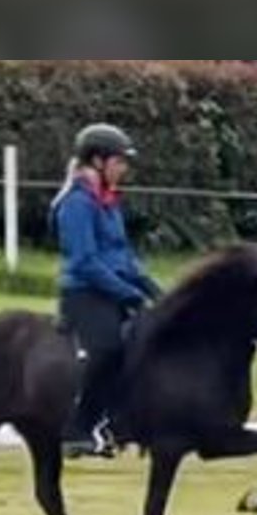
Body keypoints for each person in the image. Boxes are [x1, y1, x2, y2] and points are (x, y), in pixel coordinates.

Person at [51, 123, 162, 458]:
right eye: (120, 161)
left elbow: (122, 256)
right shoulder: (76, 204)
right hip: (85, 293)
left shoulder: (108, 201)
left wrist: (153, 289)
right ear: (98, 161)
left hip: (113, 290)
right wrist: (129, 294)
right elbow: (85, 261)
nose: (124, 169)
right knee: (108, 348)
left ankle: (122, 421)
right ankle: (77, 428)